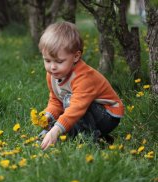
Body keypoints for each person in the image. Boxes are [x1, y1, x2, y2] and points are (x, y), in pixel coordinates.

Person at [38, 21, 124, 150]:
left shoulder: (83, 77)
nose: (52, 67)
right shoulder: (52, 75)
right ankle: (98, 137)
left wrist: (56, 130)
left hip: (107, 115)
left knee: (70, 101)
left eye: (59, 61)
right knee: (66, 105)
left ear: (76, 56)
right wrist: (48, 116)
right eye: (47, 60)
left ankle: (88, 140)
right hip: (84, 111)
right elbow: (56, 101)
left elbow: (76, 108)